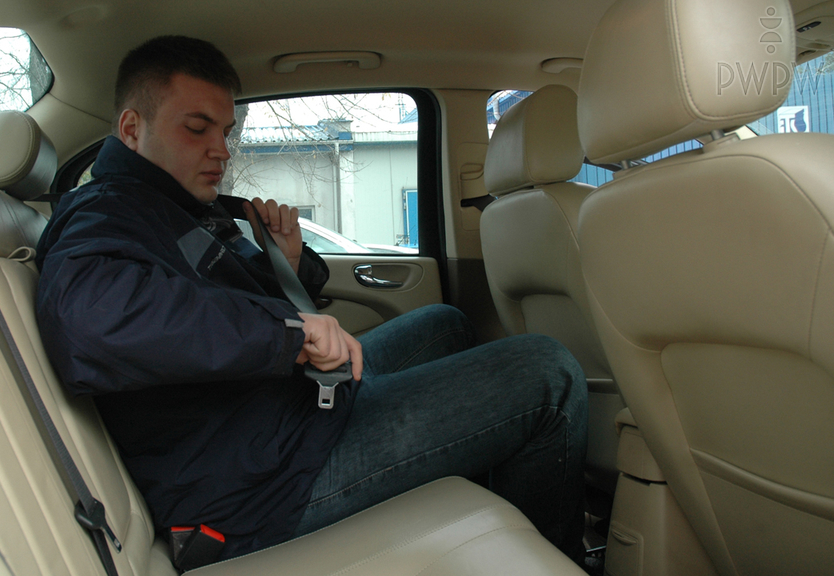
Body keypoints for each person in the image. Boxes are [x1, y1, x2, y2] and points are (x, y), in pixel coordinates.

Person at [35, 35, 589, 565]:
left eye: (225, 131)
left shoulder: (175, 208)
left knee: (444, 323)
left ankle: (477, 489)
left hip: (281, 421)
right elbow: (93, 318)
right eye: (197, 128)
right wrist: (285, 334)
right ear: (132, 129)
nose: (221, 151)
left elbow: (217, 305)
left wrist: (290, 262)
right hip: (255, 489)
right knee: (548, 372)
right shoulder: (106, 210)